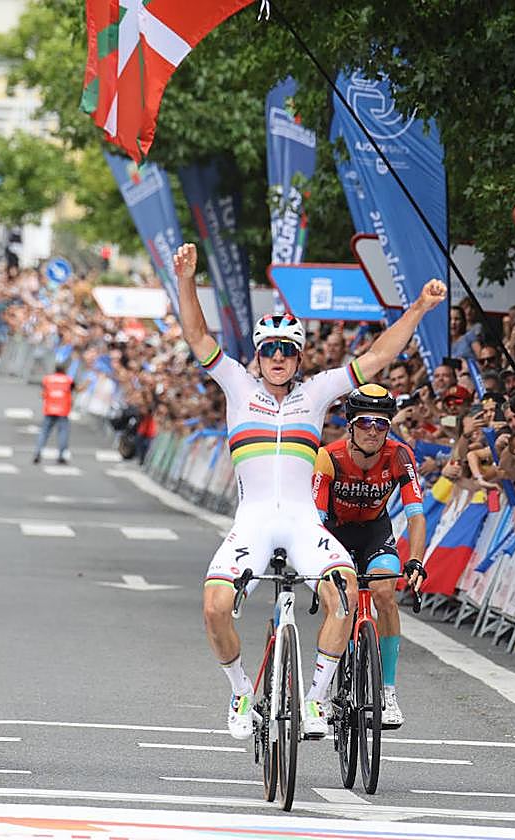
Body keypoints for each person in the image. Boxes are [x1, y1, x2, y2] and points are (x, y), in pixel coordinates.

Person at [172, 242, 447, 741]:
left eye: (287, 350)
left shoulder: (316, 392)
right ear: (258, 355)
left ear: (299, 357)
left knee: (345, 595)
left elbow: (380, 356)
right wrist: (188, 280)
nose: (278, 357)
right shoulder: (237, 384)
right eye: (269, 350)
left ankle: (315, 701)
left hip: (303, 522)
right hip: (253, 522)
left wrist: (420, 308)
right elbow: (195, 334)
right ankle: (239, 693)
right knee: (214, 606)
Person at [311, 383, 426, 727]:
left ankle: (387, 691)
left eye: (381, 424)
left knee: (384, 593)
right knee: (339, 602)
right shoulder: (328, 457)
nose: (373, 431)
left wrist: (417, 561)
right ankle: (328, 684)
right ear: (350, 425)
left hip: (376, 534)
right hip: (335, 535)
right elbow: (315, 520)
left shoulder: (400, 455)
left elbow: (416, 515)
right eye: (365, 423)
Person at [34, 361, 74, 465]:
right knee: (63, 433)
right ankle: (61, 455)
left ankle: (37, 452)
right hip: (63, 410)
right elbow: (74, 390)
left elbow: (42, 394)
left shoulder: (47, 379)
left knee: (44, 432)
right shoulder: (68, 380)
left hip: (50, 409)